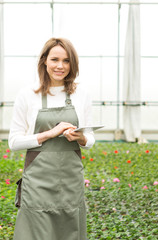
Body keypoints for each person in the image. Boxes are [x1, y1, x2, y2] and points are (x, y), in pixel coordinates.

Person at [8, 37, 95, 240]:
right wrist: (49, 134)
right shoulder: (28, 94)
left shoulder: (81, 94)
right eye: (55, 59)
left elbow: (91, 139)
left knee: (70, 232)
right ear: (44, 60)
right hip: (38, 181)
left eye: (66, 61)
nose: (60, 66)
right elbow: (13, 142)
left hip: (71, 181)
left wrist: (80, 138)